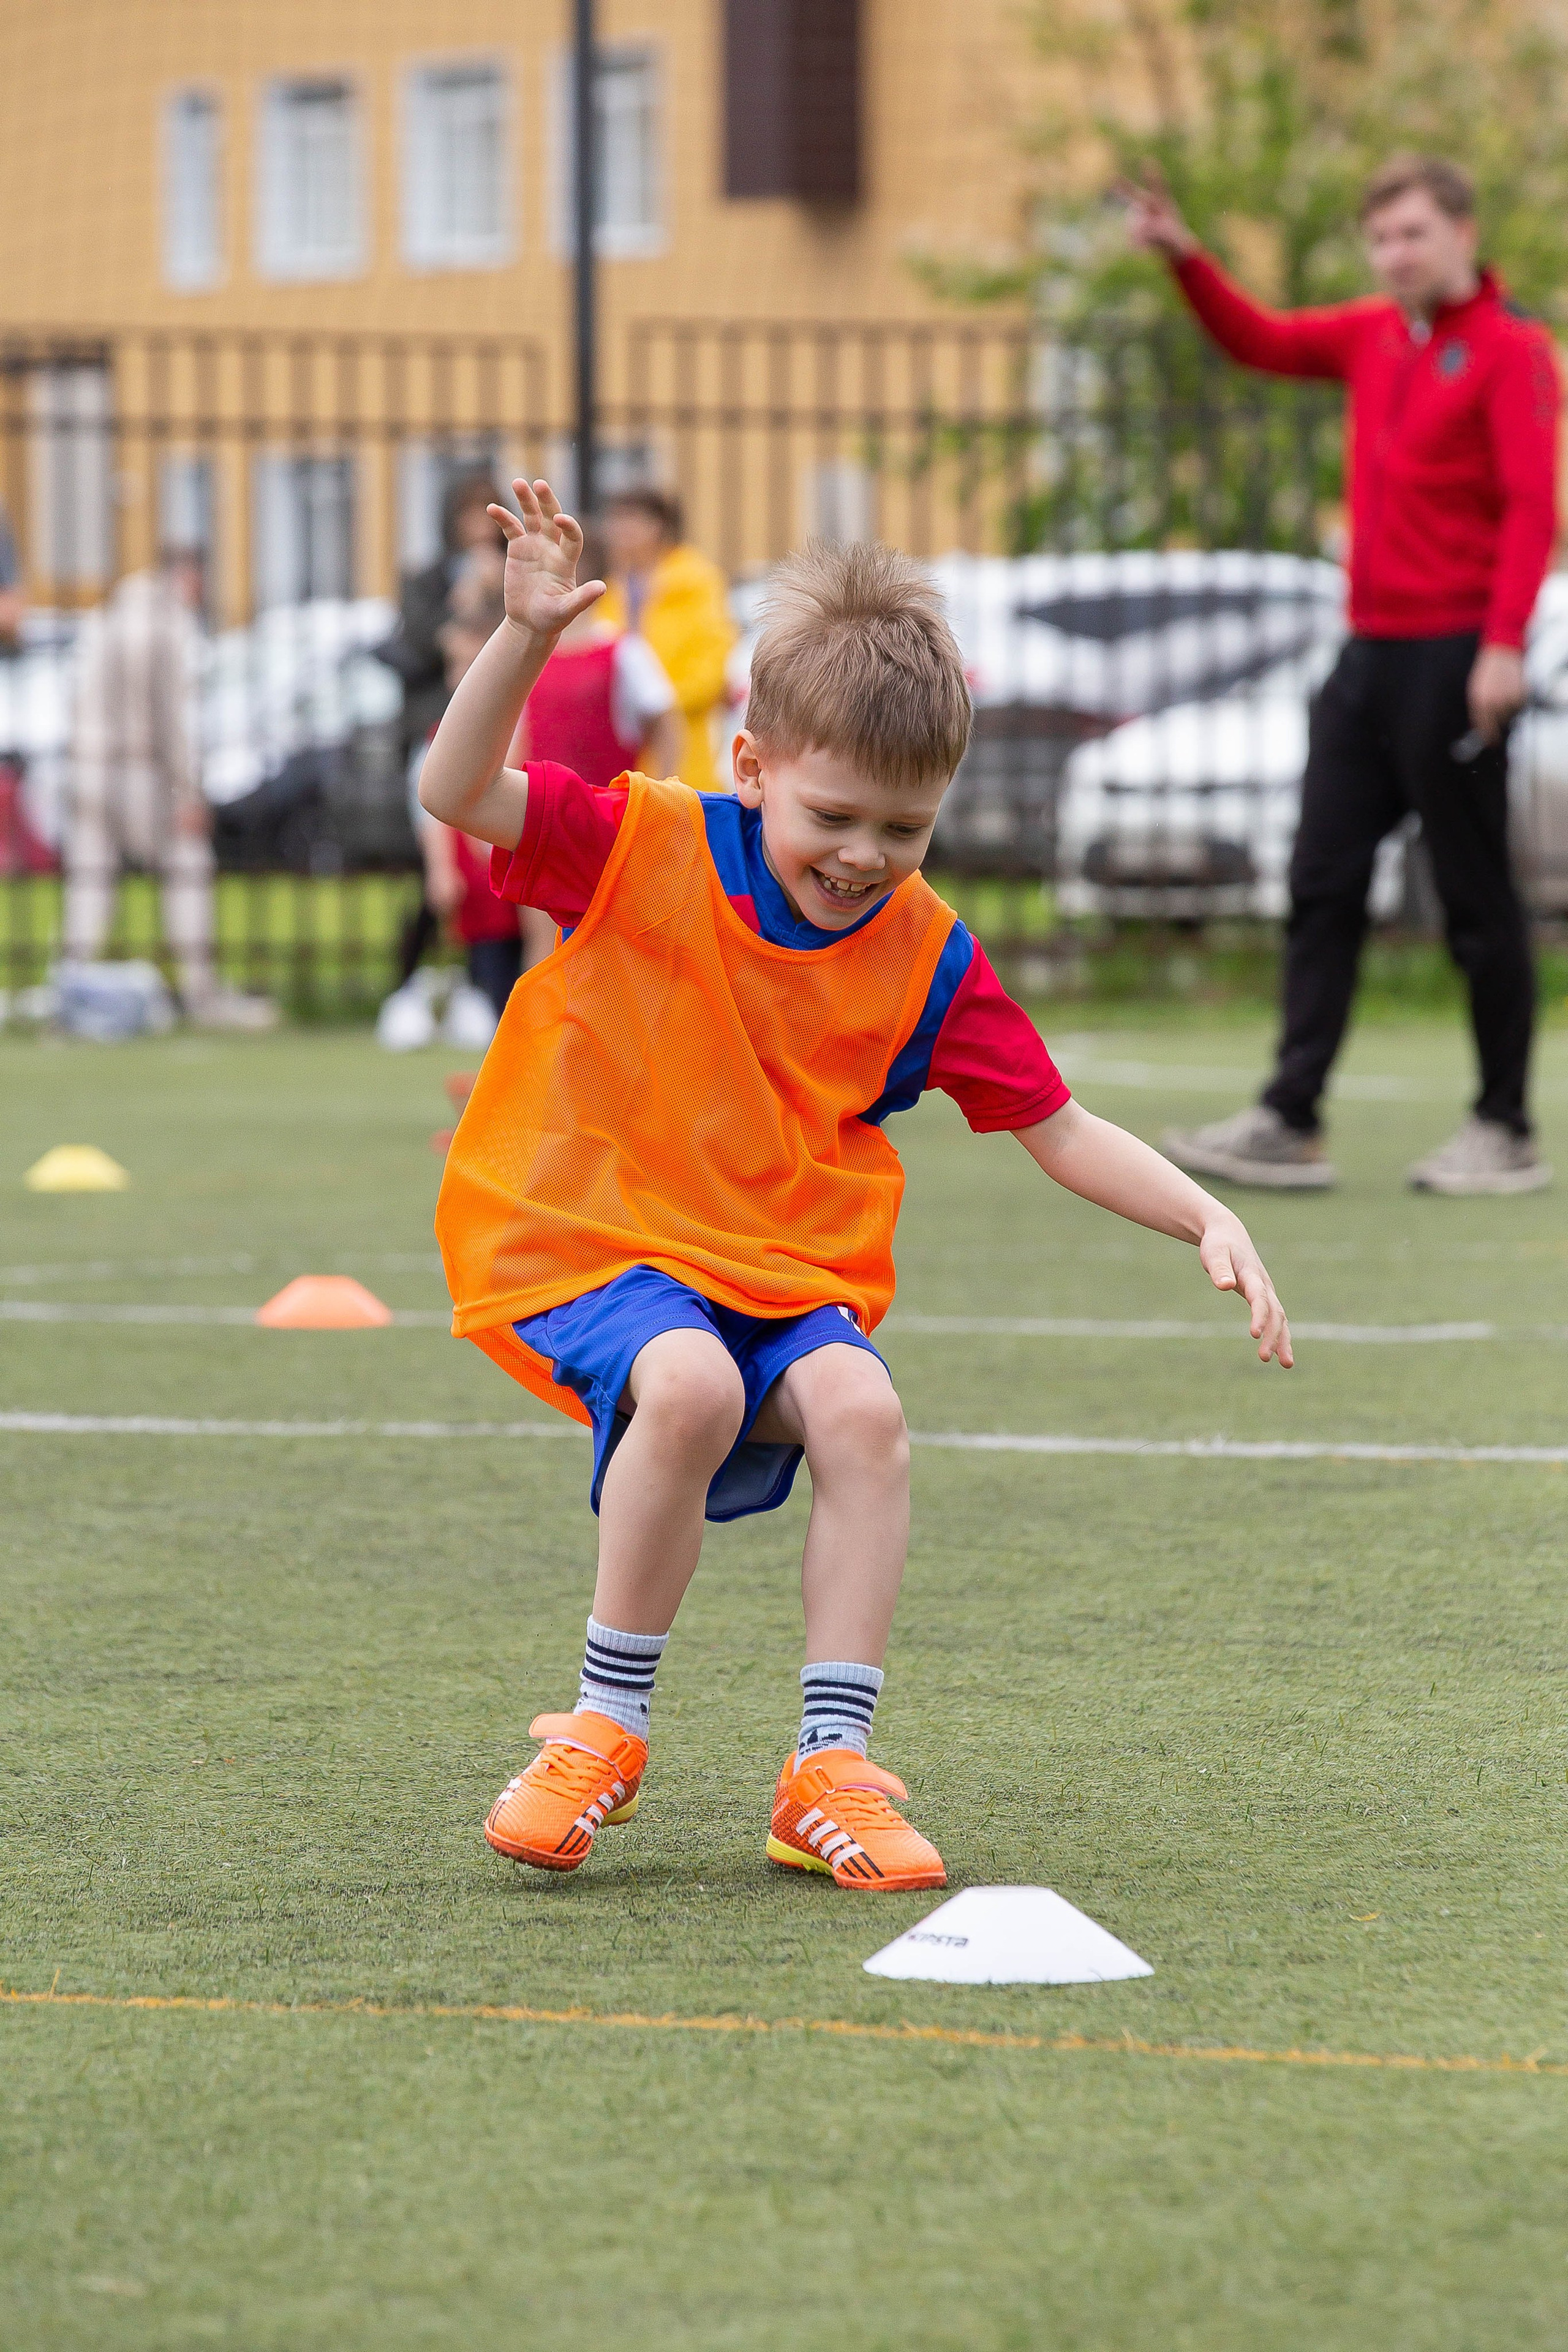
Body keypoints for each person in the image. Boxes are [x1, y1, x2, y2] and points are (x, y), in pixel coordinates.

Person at [421, 478, 1292, 1892]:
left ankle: (828, 1765)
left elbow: (1054, 1124)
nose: (865, 857)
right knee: (689, 1388)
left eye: (906, 828)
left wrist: (1204, 1209)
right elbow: (455, 792)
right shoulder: (643, 844)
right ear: (753, 766)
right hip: (594, 1236)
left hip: (778, 1263)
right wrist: (521, 638)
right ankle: (600, 1724)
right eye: (835, 813)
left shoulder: (926, 952)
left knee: (863, 1409)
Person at [1121, 156, 1560, 1196]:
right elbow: (1261, 339)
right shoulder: (1372, 335)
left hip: (1457, 655)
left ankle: (1505, 1127)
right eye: (1381, 239)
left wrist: (1503, 646)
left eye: (1412, 234)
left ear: (1461, 231)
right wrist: (1188, 259)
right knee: (1321, 879)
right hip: (1367, 654)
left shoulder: (1512, 353)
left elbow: (1534, 509)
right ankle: (1290, 1116)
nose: (1394, 255)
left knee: (1473, 897)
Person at [64, 550, 275, 1028]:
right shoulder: (167, 622)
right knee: (188, 865)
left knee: (90, 880)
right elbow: (171, 720)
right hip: (140, 769)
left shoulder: (107, 615)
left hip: (85, 765)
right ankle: (201, 994)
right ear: (187, 576)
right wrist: (188, 792)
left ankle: (70, 987)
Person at [379, 472, 509, 989]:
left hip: (498, 723)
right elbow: (413, 648)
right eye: (466, 514)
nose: (476, 526)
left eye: (486, 512)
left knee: (490, 862)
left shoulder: (512, 570)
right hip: (439, 723)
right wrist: (458, 606)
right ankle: (409, 981)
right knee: (437, 863)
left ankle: (487, 982)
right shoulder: (427, 579)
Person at [415, 551, 525, 1020]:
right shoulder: (446, 732)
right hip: (481, 881)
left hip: (512, 874)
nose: (455, 678)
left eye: (465, 665)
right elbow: (425, 804)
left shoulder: (517, 717)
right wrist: (441, 867)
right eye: (452, 666)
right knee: (494, 983)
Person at [511, 522, 683, 790]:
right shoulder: (528, 654)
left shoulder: (624, 651)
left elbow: (666, 720)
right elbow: (517, 742)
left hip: (607, 814)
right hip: (539, 812)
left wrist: (665, 793)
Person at [598, 488, 736, 792]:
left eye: (633, 520)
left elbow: (712, 663)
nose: (622, 530)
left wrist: (658, 703)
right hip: (618, 745)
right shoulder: (607, 587)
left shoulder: (696, 580)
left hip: (682, 738)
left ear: (659, 526)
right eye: (617, 520)